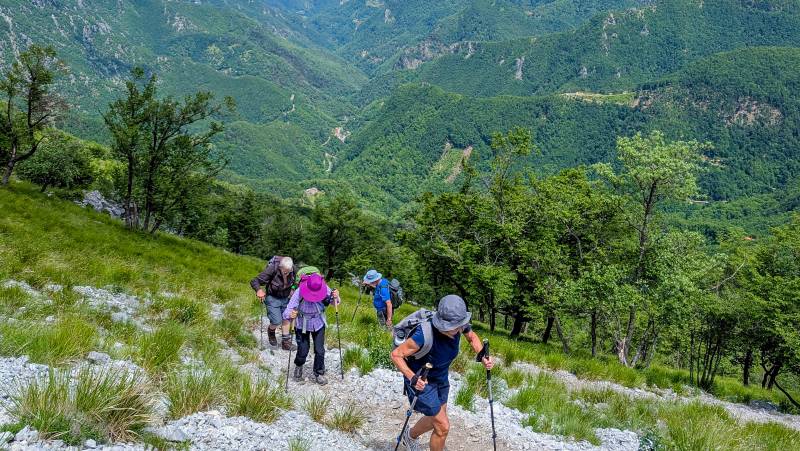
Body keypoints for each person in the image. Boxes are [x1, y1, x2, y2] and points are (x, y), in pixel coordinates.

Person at [390, 295, 494, 451]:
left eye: (461, 324)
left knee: (437, 420)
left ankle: (409, 436)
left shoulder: (459, 325)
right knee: (443, 426)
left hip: (441, 377)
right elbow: (396, 355)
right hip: (421, 381)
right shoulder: (423, 334)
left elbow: (472, 338)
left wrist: (483, 356)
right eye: (457, 326)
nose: (461, 328)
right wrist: (412, 378)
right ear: (444, 324)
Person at [284, 273, 340, 385]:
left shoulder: (324, 288)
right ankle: (299, 365)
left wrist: (336, 296)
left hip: (318, 322)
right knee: (303, 349)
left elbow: (335, 303)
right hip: (301, 323)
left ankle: (318, 373)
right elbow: (288, 309)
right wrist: (291, 314)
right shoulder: (299, 291)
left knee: (320, 350)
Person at [251, 256, 297, 350]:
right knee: (276, 321)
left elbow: (295, 282)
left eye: (289, 271)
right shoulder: (272, 269)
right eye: (285, 272)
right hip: (272, 297)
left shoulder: (293, 270)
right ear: (280, 267)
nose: (287, 273)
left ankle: (285, 343)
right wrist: (259, 290)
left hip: (286, 297)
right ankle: (271, 332)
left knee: (287, 318)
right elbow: (255, 281)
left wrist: (292, 289)